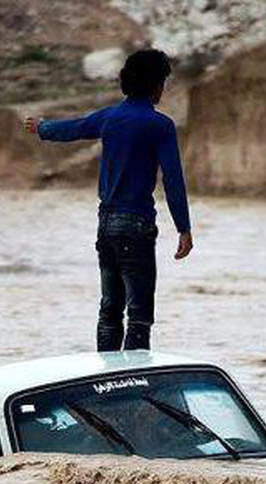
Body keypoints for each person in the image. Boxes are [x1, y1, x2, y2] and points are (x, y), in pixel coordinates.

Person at [23, 49, 193, 352]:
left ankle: (104, 377)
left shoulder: (110, 117)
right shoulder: (160, 126)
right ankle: (132, 382)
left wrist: (42, 127)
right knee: (139, 316)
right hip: (137, 225)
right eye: (163, 82)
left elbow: (73, 128)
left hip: (106, 225)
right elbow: (173, 180)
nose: (164, 89)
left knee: (109, 310)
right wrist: (184, 228)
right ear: (156, 84)